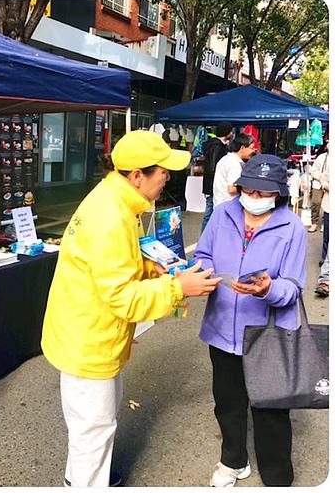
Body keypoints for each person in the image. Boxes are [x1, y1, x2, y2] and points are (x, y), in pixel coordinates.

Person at [42, 130, 221, 487]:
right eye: (163, 172)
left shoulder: (115, 199)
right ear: (137, 174)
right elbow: (122, 296)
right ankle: (85, 482)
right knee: (93, 429)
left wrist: (150, 269)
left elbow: (112, 270)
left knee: (93, 428)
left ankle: (85, 476)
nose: (168, 178)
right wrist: (177, 287)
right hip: (89, 339)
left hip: (89, 329)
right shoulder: (112, 215)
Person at [194, 154, 306, 487]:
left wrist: (268, 289)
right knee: (228, 403)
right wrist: (201, 276)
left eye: (263, 193)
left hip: (268, 334)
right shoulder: (222, 215)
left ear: (278, 193)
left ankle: (277, 476)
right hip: (221, 328)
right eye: (250, 190)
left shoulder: (292, 228)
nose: (254, 198)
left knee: (270, 408)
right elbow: (203, 255)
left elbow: (293, 286)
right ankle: (233, 462)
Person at [201, 125, 235, 233]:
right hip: (213, 185)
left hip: (212, 184)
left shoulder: (217, 145)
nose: (232, 134)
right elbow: (212, 168)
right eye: (231, 131)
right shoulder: (216, 147)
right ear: (227, 133)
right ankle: (205, 238)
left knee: (210, 211)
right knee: (210, 212)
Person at [212, 133, 257, 208]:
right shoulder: (234, 164)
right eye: (251, 148)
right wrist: (251, 188)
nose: (253, 151)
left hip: (221, 204)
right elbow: (232, 189)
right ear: (242, 148)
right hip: (228, 205)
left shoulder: (226, 159)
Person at [307, 138, 328, 239]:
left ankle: (325, 223)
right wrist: (320, 177)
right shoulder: (321, 157)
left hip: (330, 185)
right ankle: (314, 222)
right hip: (318, 183)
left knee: (328, 205)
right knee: (316, 202)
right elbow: (313, 170)